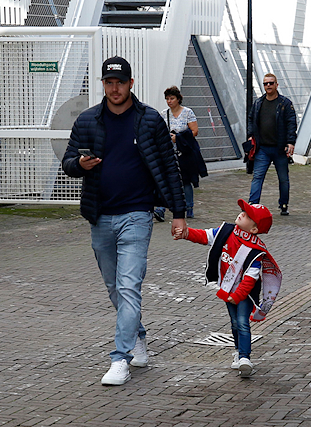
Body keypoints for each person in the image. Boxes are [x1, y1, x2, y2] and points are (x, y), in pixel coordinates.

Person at [62, 56, 187, 386]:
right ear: (103, 84)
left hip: (137, 215)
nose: (114, 88)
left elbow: (170, 168)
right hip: (100, 215)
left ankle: (120, 359)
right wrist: (80, 165)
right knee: (114, 287)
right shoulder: (88, 120)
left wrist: (179, 214)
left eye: (120, 82)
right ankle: (137, 335)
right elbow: (68, 161)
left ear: (131, 83)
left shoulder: (150, 120)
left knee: (129, 286)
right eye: (109, 82)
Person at [173, 199, 282, 377]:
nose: (242, 214)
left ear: (254, 229)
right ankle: (238, 352)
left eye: (248, 216)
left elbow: (251, 277)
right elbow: (205, 236)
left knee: (242, 322)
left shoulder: (255, 250)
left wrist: (238, 295)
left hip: (245, 294)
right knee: (234, 322)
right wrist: (186, 233)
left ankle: (245, 358)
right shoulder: (226, 231)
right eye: (243, 211)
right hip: (227, 288)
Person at [247, 73, 297, 215]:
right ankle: (252, 205)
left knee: (283, 179)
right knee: (257, 177)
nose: (268, 85)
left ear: (276, 85)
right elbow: (251, 119)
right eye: (265, 83)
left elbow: (291, 123)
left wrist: (290, 142)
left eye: (271, 83)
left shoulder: (285, 104)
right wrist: (250, 135)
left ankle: (284, 205)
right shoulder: (258, 103)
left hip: (280, 148)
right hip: (262, 148)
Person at [158, 86, 206, 219]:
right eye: (167, 99)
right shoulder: (164, 114)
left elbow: (194, 131)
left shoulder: (187, 112)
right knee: (166, 179)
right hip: (169, 151)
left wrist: (178, 138)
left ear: (178, 99)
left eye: (172, 98)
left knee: (185, 181)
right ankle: (161, 208)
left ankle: (189, 207)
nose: (169, 101)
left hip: (184, 152)